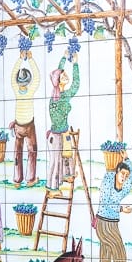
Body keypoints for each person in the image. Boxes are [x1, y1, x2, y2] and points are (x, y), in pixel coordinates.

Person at [93, 159, 132, 262]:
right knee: (120, 252)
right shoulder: (107, 182)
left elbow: (131, 179)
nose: (124, 177)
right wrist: (122, 208)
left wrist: (128, 159)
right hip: (103, 224)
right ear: (116, 172)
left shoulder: (122, 189)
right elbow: (106, 202)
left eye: (126, 175)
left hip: (113, 224)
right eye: (122, 173)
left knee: (106, 255)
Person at [47, 53, 80, 195]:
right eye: (63, 76)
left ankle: (68, 175)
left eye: (66, 75)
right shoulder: (56, 98)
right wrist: (66, 61)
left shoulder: (64, 94)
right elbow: (57, 118)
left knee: (67, 156)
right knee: (56, 162)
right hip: (56, 134)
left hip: (63, 131)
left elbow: (76, 84)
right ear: (58, 81)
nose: (66, 77)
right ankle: (53, 188)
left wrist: (73, 63)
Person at [9, 50, 41, 188]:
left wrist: (20, 59)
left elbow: (12, 76)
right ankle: (30, 179)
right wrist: (31, 59)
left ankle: (17, 179)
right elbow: (38, 77)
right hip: (29, 125)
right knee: (32, 151)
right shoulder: (31, 89)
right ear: (28, 81)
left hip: (18, 126)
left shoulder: (16, 89)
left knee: (17, 152)